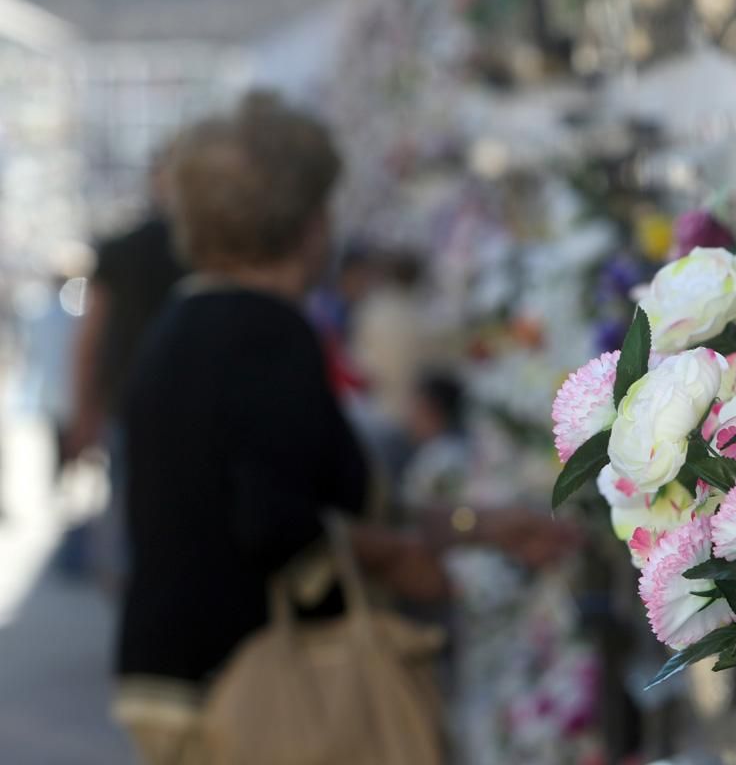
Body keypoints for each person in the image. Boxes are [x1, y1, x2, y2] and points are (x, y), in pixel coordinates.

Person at [114, 92, 574, 764]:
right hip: (255, 681)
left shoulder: (180, 326)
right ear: (304, 222)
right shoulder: (268, 334)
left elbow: (283, 495)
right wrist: (407, 562)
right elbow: (277, 521)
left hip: (176, 672)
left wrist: (483, 526)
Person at [64, 142, 188, 586]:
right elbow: (90, 337)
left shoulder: (121, 250)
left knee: (131, 539)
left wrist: (84, 411)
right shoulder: (211, 252)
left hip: (133, 408)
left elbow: (89, 339)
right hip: (167, 410)